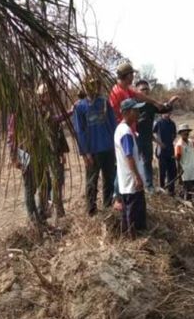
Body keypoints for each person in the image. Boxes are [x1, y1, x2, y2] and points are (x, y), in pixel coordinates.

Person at [73, 77, 117, 215]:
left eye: (95, 84)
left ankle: (108, 207)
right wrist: (85, 153)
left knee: (109, 179)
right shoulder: (80, 107)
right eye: (90, 85)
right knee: (92, 182)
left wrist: (116, 145)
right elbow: (80, 131)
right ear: (85, 87)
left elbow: (113, 124)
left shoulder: (104, 103)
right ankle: (91, 210)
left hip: (108, 148)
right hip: (92, 151)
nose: (93, 87)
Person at [135, 79, 177, 191]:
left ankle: (149, 186)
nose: (146, 91)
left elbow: (163, 109)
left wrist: (170, 103)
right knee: (134, 161)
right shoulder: (133, 104)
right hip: (135, 137)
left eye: (147, 89)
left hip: (147, 138)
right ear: (137, 91)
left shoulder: (150, 105)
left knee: (147, 162)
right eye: (143, 89)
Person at [36, 83, 71, 218]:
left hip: (55, 150)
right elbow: (54, 121)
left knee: (58, 180)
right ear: (41, 96)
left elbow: (58, 132)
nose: (49, 96)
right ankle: (49, 212)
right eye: (46, 94)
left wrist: (62, 151)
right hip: (46, 151)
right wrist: (70, 112)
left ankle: (55, 210)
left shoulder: (49, 107)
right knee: (51, 181)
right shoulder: (40, 110)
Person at [114, 98, 147, 235]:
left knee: (131, 212)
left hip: (128, 180)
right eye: (135, 110)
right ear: (127, 112)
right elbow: (129, 156)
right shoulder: (126, 132)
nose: (138, 113)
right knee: (132, 213)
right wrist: (137, 177)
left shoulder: (123, 129)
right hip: (131, 181)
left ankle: (132, 237)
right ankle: (132, 238)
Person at [153, 112, 178, 195]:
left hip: (170, 149)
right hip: (161, 150)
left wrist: (170, 141)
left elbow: (174, 135)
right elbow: (152, 134)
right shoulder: (158, 123)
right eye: (165, 112)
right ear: (161, 113)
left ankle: (171, 190)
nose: (167, 114)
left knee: (172, 170)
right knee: (162, 171)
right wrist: (160, 143)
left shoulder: (172, 123)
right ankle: (162, 189)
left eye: (168, 112)